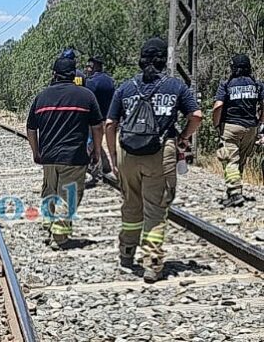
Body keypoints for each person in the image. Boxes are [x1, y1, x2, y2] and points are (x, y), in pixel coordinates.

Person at [106, 38, 202, 283]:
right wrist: (183, 138)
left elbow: (110, 124)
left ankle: (127, 253)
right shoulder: (175, 86)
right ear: (163, 60)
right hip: (160, 153)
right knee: (155, 209)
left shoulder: (126, 88)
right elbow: (197, 116)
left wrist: (113, 156)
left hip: (127, 152)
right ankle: (152, 263)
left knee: (131, 203)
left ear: (141, 59)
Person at [26, 57, 104, 251]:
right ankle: (60, 236)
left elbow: (31, 128)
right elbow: (97, 127)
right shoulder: (86, 96)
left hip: (49, 156)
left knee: (50, 190)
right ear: (73, 75)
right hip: (74, 156)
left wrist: (36, 152)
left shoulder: (41, 97)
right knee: (68, 195)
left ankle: (48, 224)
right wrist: (96, 150)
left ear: (54, 74)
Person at [212, 54, 264, 207]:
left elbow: (218, 106)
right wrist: (261, 121)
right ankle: (234, 192)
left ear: (233, 68)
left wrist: (217, 124)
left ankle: (234, 193)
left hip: (231, 126)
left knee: (229, 160)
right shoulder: (257, 84)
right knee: (240, 160)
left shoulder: (226, 84)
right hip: (251, 127)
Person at [85, 55, 116, 184]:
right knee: (103, 144)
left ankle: (90, 170)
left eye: (90, 66)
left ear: (95, 66)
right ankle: (106, 168)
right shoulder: (110, 81)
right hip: (108, 117)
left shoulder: (91, 82)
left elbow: (88, 100)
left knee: (91, 144)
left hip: (95, 119)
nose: (88, 68)